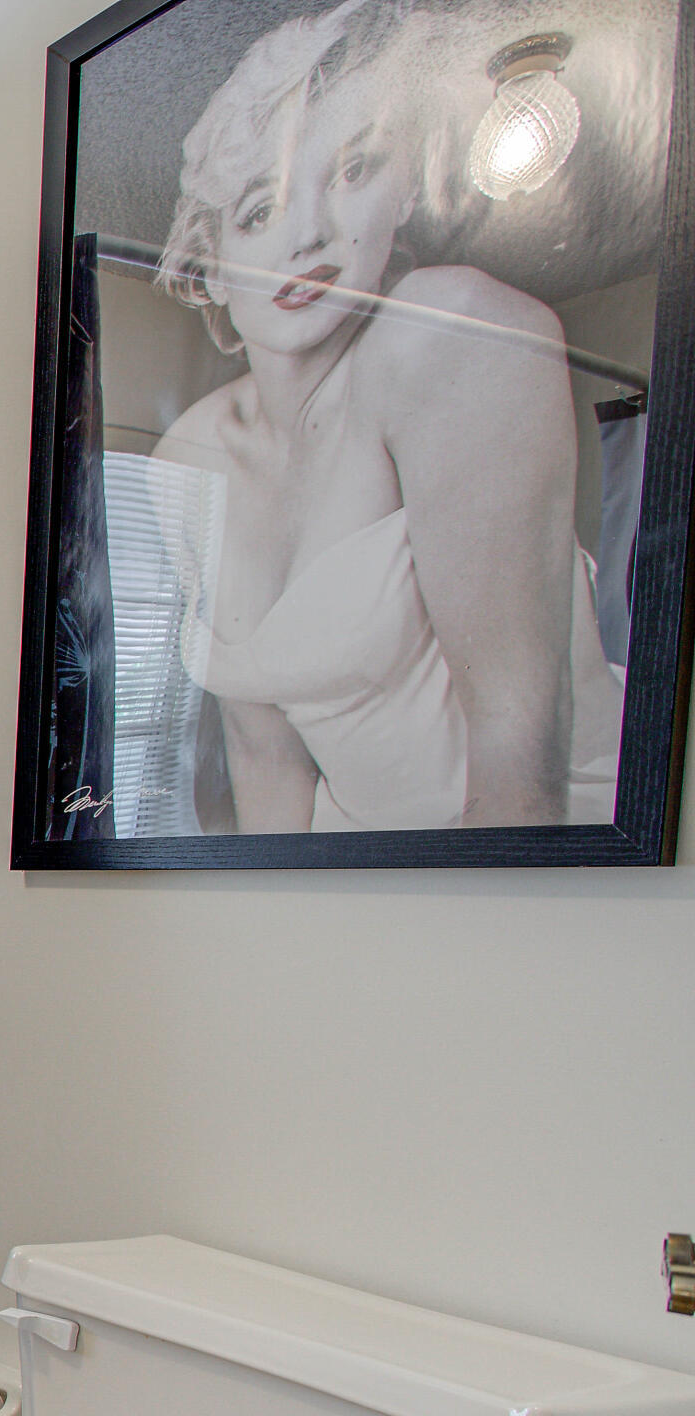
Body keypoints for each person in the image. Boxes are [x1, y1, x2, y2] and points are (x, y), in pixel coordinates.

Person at [153, 0, 621, 830]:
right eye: (259, 211)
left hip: (548, 850)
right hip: (356, 853)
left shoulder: (452, 335)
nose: (308, 234)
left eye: (353, 171)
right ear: (213, 266)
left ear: (404, 190)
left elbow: (520, 774)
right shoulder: (187, 456)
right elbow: (265, 761)